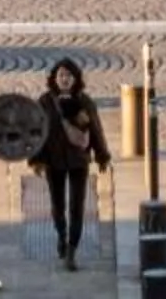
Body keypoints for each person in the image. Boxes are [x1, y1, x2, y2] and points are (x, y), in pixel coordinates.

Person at [36, 56, 110, 271]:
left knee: (77, 207)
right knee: (57, 205)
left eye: (68, 75)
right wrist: (37, 159)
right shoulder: (45, 102)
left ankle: (71, 250)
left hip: (78, 160)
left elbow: (95, 130)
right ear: (54, 78)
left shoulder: (84, 101)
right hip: (53, 161)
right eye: (61, 75)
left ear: (76, 78)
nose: (65, 79)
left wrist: (102, 155)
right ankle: (61, 234)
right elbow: (37, 132)